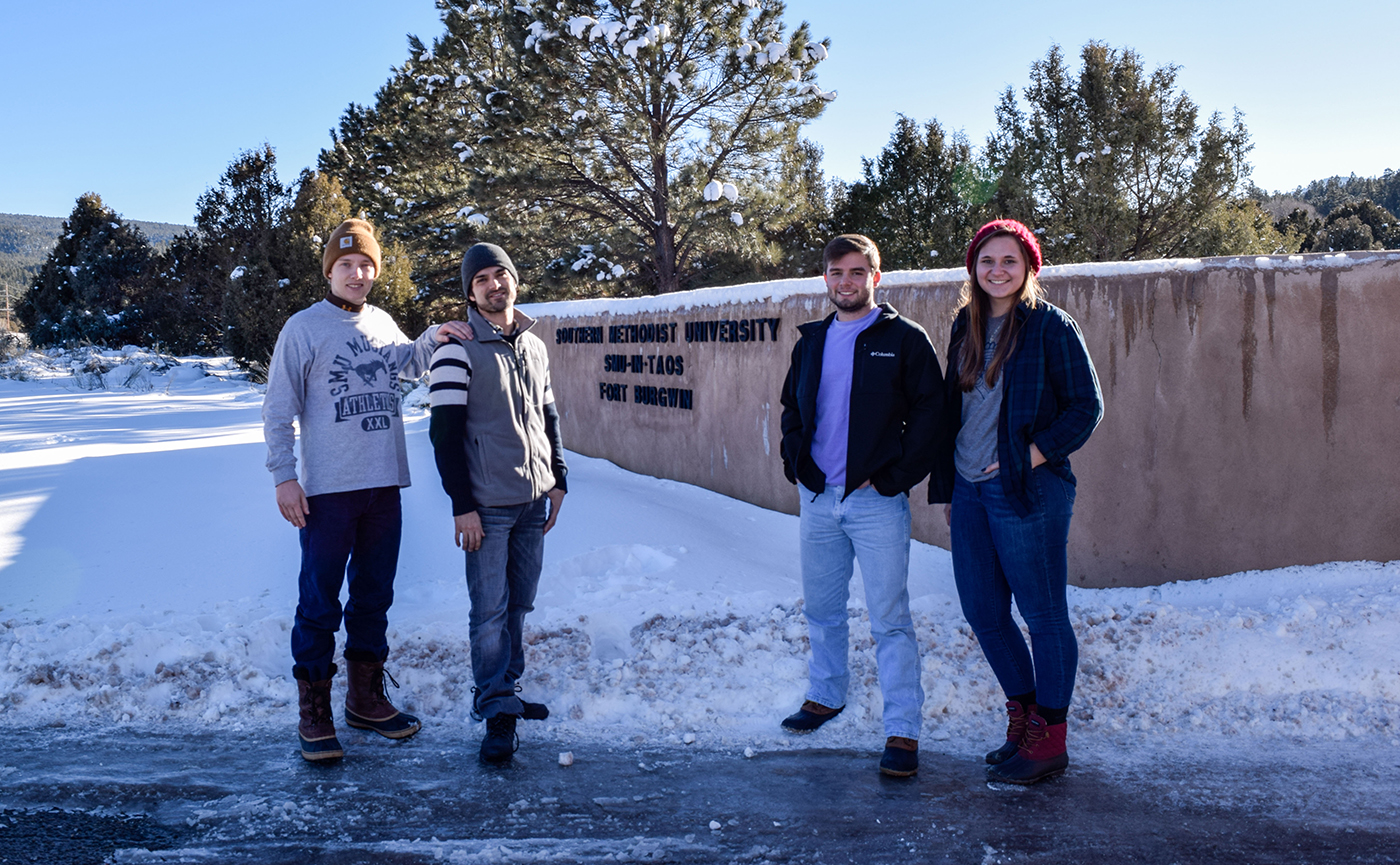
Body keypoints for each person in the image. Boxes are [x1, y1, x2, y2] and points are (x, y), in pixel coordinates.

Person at [265, 218, 467, 762]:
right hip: (328, 493)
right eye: (346, 265)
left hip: (384, 487)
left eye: (366, 265)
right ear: (330, 270)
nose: (357, 274)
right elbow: (278, 411)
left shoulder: (380, 321)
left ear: (377, 270)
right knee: (319, 602)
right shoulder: (303, 328)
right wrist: (285, 477)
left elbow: (407, 364)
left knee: (374, 597)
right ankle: (315, 712)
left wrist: (435, 337)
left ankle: (364, 700)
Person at [930, 219, 1103, 785]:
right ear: (973, 270)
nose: (997, 270)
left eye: (1009, 260)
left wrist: (1029, 456)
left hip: (1027, 490)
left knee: (1044, 614)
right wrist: (952, 487)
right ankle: (1024, 720)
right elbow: (955, 413)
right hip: (970, 491)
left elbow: (1087, 407)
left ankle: (1049, 739)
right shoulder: (966, 324)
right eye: (987, 261)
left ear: (1029, 266)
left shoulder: (1051, 327)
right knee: (983, 611)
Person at [778, 234, 946, 777]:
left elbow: (931, 416)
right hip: (818, 498)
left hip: (876, 503)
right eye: (836, 272)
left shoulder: (904, 339)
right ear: (825, 278)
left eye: (857, 272)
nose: (845, 282)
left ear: (877, 277)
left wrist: (894, 479)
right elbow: (792, 410)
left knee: (890, 619)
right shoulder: (811, 341)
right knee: (822, 610)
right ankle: (826, 694)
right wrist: (796, 465)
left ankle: (902, 728)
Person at [427, 242, 568, 764]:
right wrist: (461, 505)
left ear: (515, 281)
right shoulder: (456, 350)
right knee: (489, 611)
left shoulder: (533, 345)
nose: (494, 285)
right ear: (470, 290)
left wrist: (559, 480)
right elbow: (444, 435)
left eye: (501, 274)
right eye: (482, 278)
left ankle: (505, 688)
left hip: (533, 500)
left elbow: (548, 416)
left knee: (520, 603)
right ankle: (494, 708)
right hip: (486, 505)